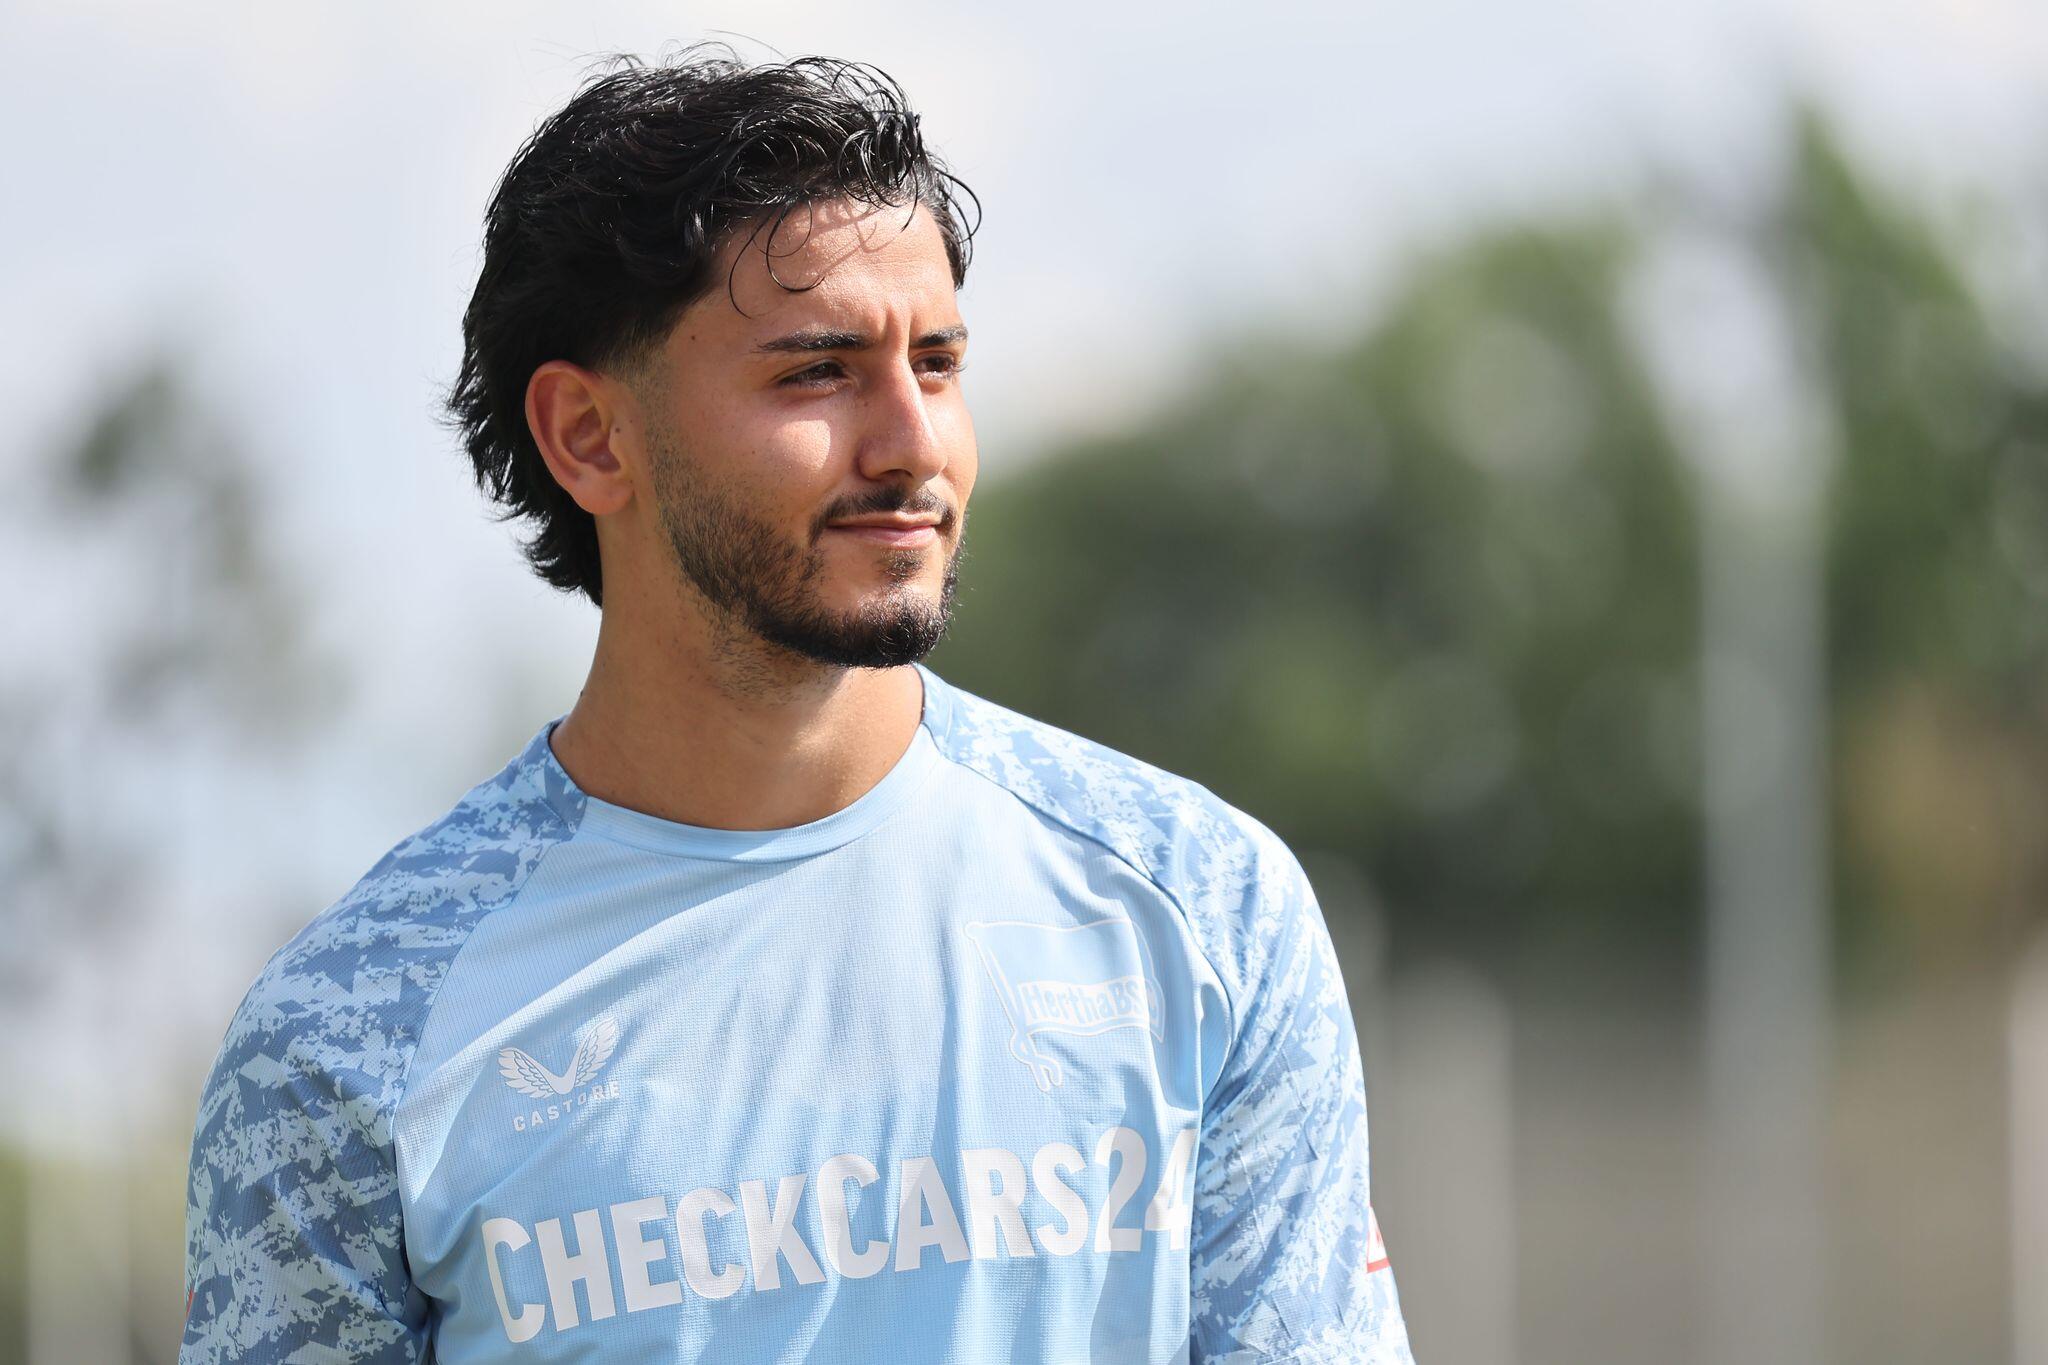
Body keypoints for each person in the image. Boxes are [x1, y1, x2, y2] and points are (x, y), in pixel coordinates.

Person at [178, 47, 1415, 1365]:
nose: (913, 443)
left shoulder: (1202, 909)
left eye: (937, 364)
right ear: (589, 436)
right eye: (817, 373)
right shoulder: (352, 1029)